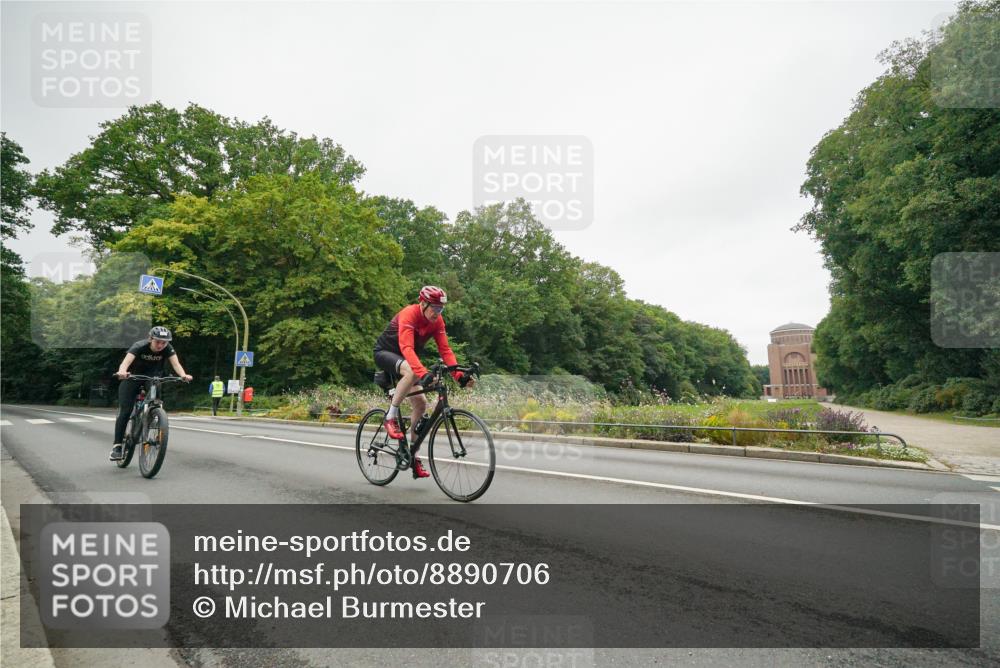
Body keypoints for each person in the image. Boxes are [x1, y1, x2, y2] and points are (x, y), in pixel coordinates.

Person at [373, 285, 474, 479]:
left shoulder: (437, 321)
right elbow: (407, 348)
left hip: (408, 361)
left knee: (421, 403)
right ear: (423, 304)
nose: (437, 312)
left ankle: (413, 456)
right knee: (412, 371)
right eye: (434, 308)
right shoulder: (409, 314)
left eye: (441, 309)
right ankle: (390, 417)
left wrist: (459, 376)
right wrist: (422, 372)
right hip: (386, 353)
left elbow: (445, 350)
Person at [110, 326, 192, 461]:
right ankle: (117, 446)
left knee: (155, 398)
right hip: (132, 377)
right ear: (150, 339)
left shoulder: (168, 348)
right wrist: (122, 372)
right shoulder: (139, 346)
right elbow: (126, 362)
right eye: (157, 341)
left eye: (164, 342)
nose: (160, 345)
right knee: (125, 411)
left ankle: (151, 418)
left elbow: (176, 364)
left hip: (153, 377)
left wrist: (183, 375)